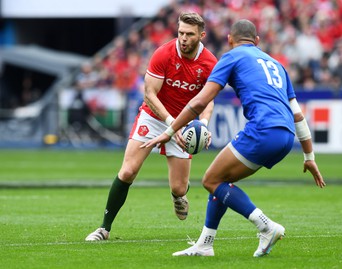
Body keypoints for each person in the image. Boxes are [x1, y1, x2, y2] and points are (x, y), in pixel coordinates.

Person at [142, 19, 326, 257]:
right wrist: (309, 156)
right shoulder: (277, 65)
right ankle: (205, 244)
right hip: (286, 136)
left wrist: (168, 131)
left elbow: (199, 101)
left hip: (262, 130)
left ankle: (266, 226)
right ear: (257, 41)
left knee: (210, 180)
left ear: (229, 39)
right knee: (220, 180)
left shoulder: (231, 57)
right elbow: (298, 116)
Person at [85, 12, 217, 241]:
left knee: (178, 187)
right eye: (180, 33)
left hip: (184, 123)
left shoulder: (209, 63)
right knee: (128, 171)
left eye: (189, 34)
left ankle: (179, 196)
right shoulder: (163, 54)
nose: (183, 38)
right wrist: (170, 126)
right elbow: (149, 94)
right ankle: (104, 229)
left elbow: (207, 99)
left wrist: (202, 125)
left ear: (201, 35)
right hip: (155, 117)